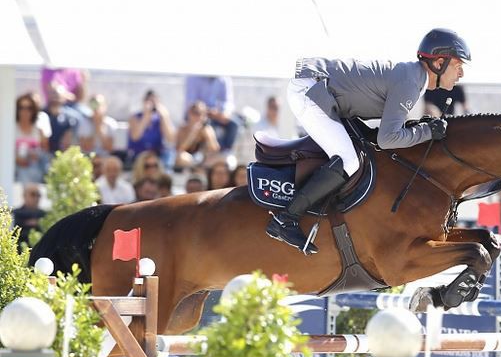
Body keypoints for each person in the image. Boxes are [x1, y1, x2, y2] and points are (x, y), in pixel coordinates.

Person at [266, 28, 470, 254]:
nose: (460, 73)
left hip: (320, 89)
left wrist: (425, 129)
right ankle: (286, 218)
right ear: (439, 63)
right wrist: (428, 132)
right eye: (458, 65)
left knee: (358, 152)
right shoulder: (411, 82)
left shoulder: (414, 78)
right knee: (349, 161)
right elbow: (388, 138)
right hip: (310, 90)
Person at [185, 75, 240, 150]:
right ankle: (217, 152)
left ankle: (225, 151)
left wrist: (224, 113)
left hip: (218, 115)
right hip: (200, 114)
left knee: (235, 124)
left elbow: (228, 103)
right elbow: (192, 103)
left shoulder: (224, 78)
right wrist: (206, 112)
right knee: (208, 126)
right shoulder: (193, 77)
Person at [127, 90, 176, 164]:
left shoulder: (160, 119)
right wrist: (146, 116)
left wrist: (164, 117)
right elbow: (135, 137)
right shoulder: (135, 117)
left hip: (157, 156)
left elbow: (171, 139)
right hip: (138, 155)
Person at [175, 101, 221, 169]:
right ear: (189, 113)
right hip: (189, 159)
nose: (198, 116)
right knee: (181, 157)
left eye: (202, 113)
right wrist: (192, 134)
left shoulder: (208, 129)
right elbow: (180, 149)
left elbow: (215, 149)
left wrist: (208, 137)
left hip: (204, 159)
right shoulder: (182, 128)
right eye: (195, 113)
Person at [15, 93, 49, 184]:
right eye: (21, 108)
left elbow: (45, 151)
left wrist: (35, 155)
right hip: (14, 169)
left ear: (33, 110)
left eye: (29, 108)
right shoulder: (11, 128)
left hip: (35, 169)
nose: (25, 111)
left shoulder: (39, 130)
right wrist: (16, 158)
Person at [12, 183, 46, 248]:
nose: (36, 198)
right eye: (33, 194)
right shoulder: (16, 213)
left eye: (38, 195)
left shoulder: (44, 215)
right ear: (24, 196)